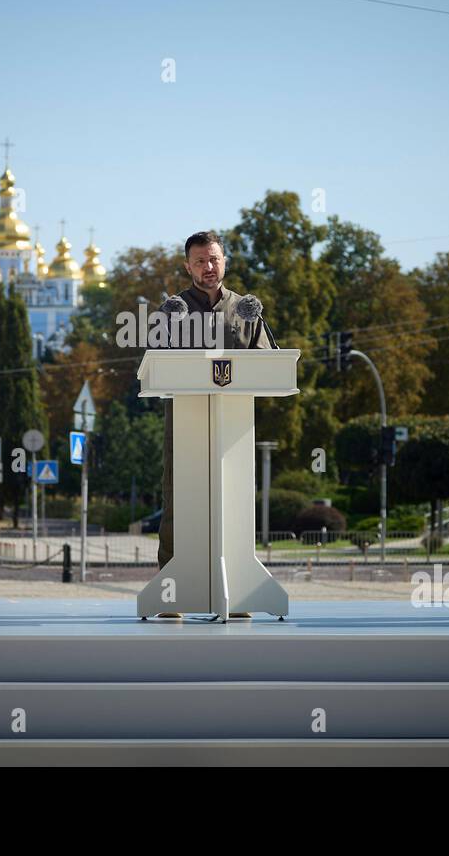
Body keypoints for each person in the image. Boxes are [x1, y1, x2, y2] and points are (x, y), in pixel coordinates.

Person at [156, 231, 273, 617]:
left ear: (225, 261)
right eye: (201, 261)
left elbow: (268, 366)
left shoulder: (246, 310)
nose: (210, 267)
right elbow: (154, 368)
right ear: (188, 266)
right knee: (178, 504)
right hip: (186, 429)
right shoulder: (173, 311)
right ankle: (172, 594)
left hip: (233, 434)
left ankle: (239, 591)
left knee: (237, 502)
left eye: (215, 259)